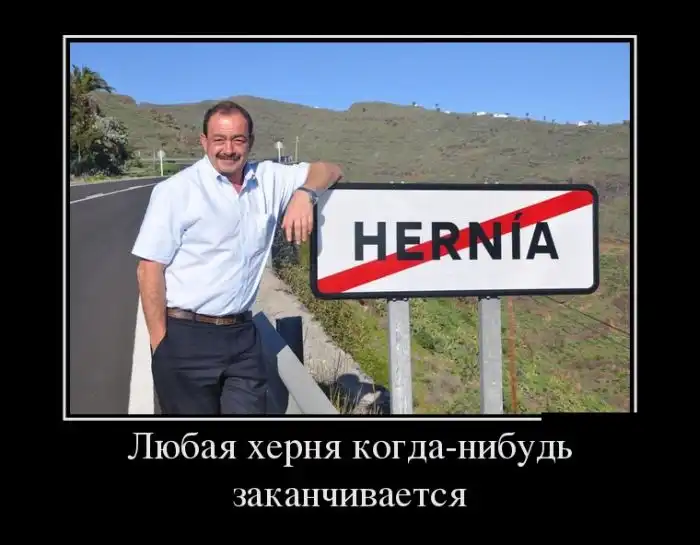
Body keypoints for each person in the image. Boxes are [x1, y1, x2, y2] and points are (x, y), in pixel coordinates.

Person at [131, 100, 343, 415]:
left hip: (243, 337)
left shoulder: (269, 179)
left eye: (238, 140)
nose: (228, 149)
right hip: (186, 337)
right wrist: (161, 345)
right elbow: (149, 269)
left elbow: (331, 170)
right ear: (204, 141)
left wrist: (305, 194)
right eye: (219, 139)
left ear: (250, 142)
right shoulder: (176, 191)